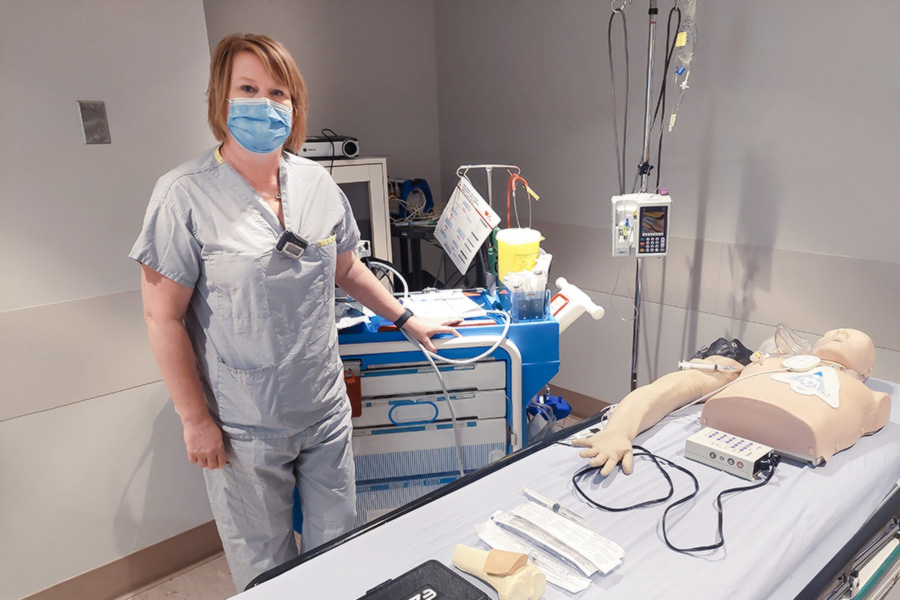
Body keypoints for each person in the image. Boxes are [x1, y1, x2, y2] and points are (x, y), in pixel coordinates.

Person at [129, 33, 458, 591]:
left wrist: (406, 319)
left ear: (295, 103)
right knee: (267, 567)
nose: (265, 103)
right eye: (248, 89)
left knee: (340, 546)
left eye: (277, 92)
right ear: (220, 99)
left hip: (323, 407)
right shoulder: (182, 195)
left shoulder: (315, 184)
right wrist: (195, 420)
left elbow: (347, 269)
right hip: (244, 424)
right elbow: (162, 317)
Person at [573, 327, 891, 475]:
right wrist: (619, 430)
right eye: (835, 330)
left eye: (852, 336)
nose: (839, 333)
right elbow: (668, 389)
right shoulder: (750, 366)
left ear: (868, 370)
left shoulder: (871, 397)